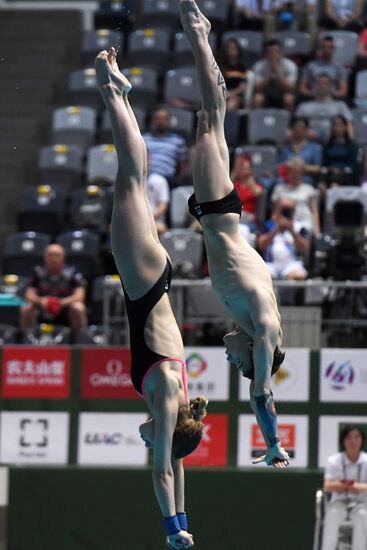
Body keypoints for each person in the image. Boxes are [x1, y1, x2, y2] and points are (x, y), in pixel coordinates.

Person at [94, 46, 208, 549]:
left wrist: (184, 521)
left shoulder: (178, 400)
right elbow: (163, 470)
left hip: (153, 277)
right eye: (157, 442)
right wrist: (168, 528)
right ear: (166, 429)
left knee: (132, 179)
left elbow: (176, 464)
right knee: (131, 176)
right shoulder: (164, 396)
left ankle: (118, 93)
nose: (150, 445)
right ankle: (110, 88)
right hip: (141, 280)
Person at [180, 0, 290, 468]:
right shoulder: (264, 327)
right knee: (210, 114)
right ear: (256, 354)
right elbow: (262, 395)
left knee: (214, 115)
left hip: (218, 215)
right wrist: (272, 444)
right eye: (241, 364)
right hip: (217, 212)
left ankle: (201, 35)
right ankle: (199, 32)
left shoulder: (253, 319)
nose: (234, 363)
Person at [20, 244, 87, 341]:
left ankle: (79, 343)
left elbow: (80, 296)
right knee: (26, 307)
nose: (54, 259)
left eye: (57, 255)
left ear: (63, 257)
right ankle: (29, 343)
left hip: (65, 309)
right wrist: (41, 301)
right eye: (50, 255)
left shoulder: (73, 271)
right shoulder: (38, 271)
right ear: (45, 257)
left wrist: (60, 302)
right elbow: (29, 294)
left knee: (78, 307)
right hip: (42, 309)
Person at [322, 425, 367, 550]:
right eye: (349, 438)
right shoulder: (334, 461)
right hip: (339, 503)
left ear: (362, 440)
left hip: (361, 504)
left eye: (357, 437)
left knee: (363, 517)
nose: (353, 441)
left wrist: (356, 487)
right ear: (343, 441)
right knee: (332, 516)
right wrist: (340, 485)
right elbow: (327, 486)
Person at [257, 197, 310, 280]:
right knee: (262, 275)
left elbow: (304, 248)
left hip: (291, 265)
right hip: (271, 264)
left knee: (299, 275)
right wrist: (276, 229)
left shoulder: (299, 227)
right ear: (277, 209)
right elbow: (262, 245)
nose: (287, 212)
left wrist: (292, 231)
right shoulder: (268, 225)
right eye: (284, 209)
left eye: (289, 209)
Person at [295, 73, 354, 141]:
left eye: (325, 83)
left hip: (333, 142)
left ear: (331, 87)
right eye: (319, 83)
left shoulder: (341, 105)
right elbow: (296, 125)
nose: (322, 86)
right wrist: (305, 132)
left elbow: (349, 124)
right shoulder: (303, 106)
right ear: (314, 86)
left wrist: (350, 142)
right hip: (308, 142)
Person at [272, 157, 320, 235]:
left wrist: (316, 232)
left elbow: (314, 212)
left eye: (297, 172)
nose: (294, 175)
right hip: (283, 224)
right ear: (287, 172)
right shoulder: (279, 189)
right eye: (292, 172)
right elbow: (275, 214)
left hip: (304, 223)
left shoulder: (309, 189)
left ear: (302, 173)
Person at [143, 107, 189, 187]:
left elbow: (184, 166)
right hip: (145, 177)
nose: (160, 122)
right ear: (152, 121)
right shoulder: (144, 139)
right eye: (157, 119)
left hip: (168, 179)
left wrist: (178, 182)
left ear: (170, 121)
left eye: (164, 119)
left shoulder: (178, 141)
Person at [252, 38, 298, 112]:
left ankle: (289, 122)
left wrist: (277, 70)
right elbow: (257, 88)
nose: (273, 55)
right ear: (266, 54)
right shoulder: (258, 66)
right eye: (270, 52)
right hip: (266, 93)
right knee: (257, 98)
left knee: (289, 99)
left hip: (282, 93)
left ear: (281, 53)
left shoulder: (290, 65)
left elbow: (290, 88)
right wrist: (270, 72)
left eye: (276, 52)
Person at [299, 35, 349, 100]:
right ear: (320, 49)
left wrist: (330, 95)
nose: (327, 50)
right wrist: (311, 94)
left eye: (330, 47)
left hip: (332, 99)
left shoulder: (339, 68)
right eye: (324, 47)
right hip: (313, 98)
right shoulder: (310, 66)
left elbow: (343, 91)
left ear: (334, 49)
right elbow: (302, 88)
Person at [279, 116, 322, 185]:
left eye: (302, 127)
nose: (299, 130)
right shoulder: (285, 148)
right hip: (288, 178)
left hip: (305, 178)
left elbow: (317, 168)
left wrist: (300, 167)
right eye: (297, 127)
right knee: (278, 182)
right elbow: (281, 166)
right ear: (292, 129)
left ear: (306, 129)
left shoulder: (314, 148)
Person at [320, 115, 360, 187]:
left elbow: (353, 165)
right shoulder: (327, 146)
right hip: (329, 174)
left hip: (347, 175)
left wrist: (340, 170)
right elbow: (323, 164)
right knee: (323, 183)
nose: (337, 128)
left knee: (335, 181)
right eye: (335, 125)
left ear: (345, 127)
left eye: (340, 125)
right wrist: (330, 169)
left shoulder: (352, 146)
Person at [231, 153, 263, 222]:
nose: (240, 171)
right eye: (238, 168)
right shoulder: (233, 183)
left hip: (248, 217)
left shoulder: (254, 185)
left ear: (249, 170)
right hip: (233, 214)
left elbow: (258, 193)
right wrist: (234, 174)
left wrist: (251, 183)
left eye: (243, 168)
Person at [220, 38, 249, 111]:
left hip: (235, 97)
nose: (233, 50)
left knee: (230, 105)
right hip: (221, 96)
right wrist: (225, 95)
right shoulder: (221, 66)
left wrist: (229, 94)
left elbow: (242, 87)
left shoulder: (241, 67)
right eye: (230, 48)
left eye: (235, 48)